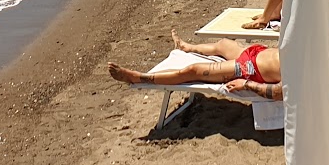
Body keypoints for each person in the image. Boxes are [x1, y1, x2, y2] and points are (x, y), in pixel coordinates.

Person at [109, 30, 283, 99]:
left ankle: (139, 77)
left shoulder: (305, 76)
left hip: (249, 70)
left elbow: (278, 93)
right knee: (223, 44)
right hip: (256, 53)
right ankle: (187, 47)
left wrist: (245, 84)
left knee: (194, 70)